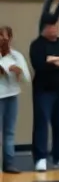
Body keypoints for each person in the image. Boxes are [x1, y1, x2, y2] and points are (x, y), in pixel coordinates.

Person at [29, 17, 59, 172]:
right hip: (44, 90)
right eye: (50, 26)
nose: (53, 29)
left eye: (55, 26)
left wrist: (53, 59)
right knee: (42, 123)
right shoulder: (37, 45)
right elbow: (39, 65)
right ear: (44, 28)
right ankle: (40, 157)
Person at [0, 27, 30, 174]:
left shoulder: (16, 56)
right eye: (0, 36)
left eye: (5, 37)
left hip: (12, 95)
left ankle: (9, 163)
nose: (3, 39)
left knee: (9, 132)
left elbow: (26, 78)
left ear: (10, 38)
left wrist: (19, 71)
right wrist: (7, 67)